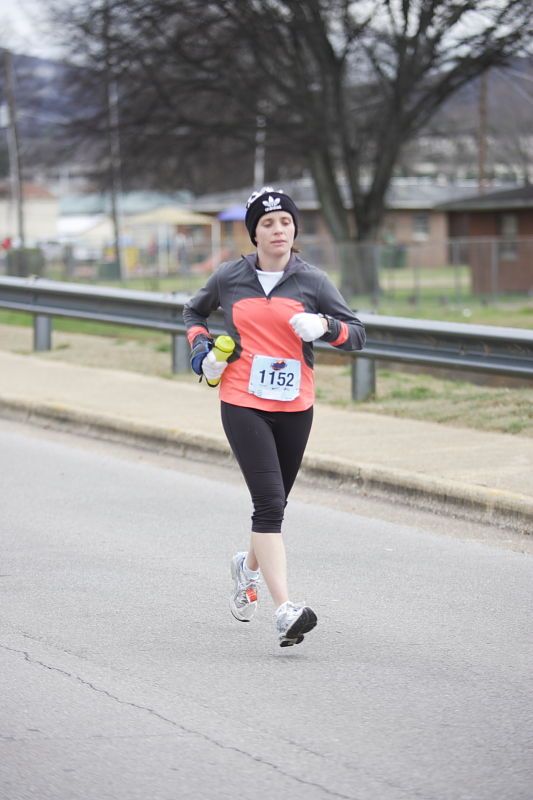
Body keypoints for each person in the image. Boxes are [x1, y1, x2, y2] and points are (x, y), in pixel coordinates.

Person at [183, 187, 366, 647]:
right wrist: (202, 353)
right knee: (267, 504)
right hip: (242, 398)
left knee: (275, 505)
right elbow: (193, 312)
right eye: (267, 223)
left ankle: (247, 570)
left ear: (294, 229)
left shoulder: (314, 282)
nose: (278, 229)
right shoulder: (229, 277)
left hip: (295, 405)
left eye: (285, 222)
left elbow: (358, 336)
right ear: (254, 233)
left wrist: (327, 327)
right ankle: (286, 609)